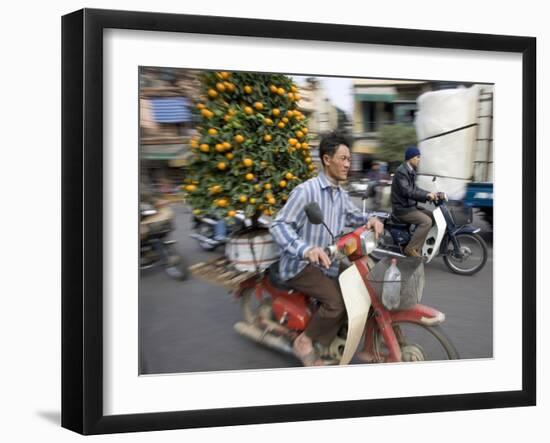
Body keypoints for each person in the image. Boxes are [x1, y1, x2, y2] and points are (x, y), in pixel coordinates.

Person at [269, 132, 383, 366]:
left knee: (364, 289)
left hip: (328, 260)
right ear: (326, 159)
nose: (347, 164)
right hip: (301, 265)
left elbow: (353, 215)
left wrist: (371, 218)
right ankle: (305, 340)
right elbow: (278, 224)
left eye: (349, 160)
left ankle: (349, 339)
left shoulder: (339, 194)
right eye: (342, 158)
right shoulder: (306, 191)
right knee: (337, 303)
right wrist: (305, 249)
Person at [390, 146, 437, 258]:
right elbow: (408, 191)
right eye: (417, 157)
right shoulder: (402, 172)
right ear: (410, 158)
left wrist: (430, 194)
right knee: (426, 222)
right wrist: (426, 196)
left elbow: (415, 189)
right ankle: (410, 249)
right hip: (402, 209)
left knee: (433, 216)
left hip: (410, 206)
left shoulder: (410, 171)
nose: (419, 160)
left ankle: (417, 244)